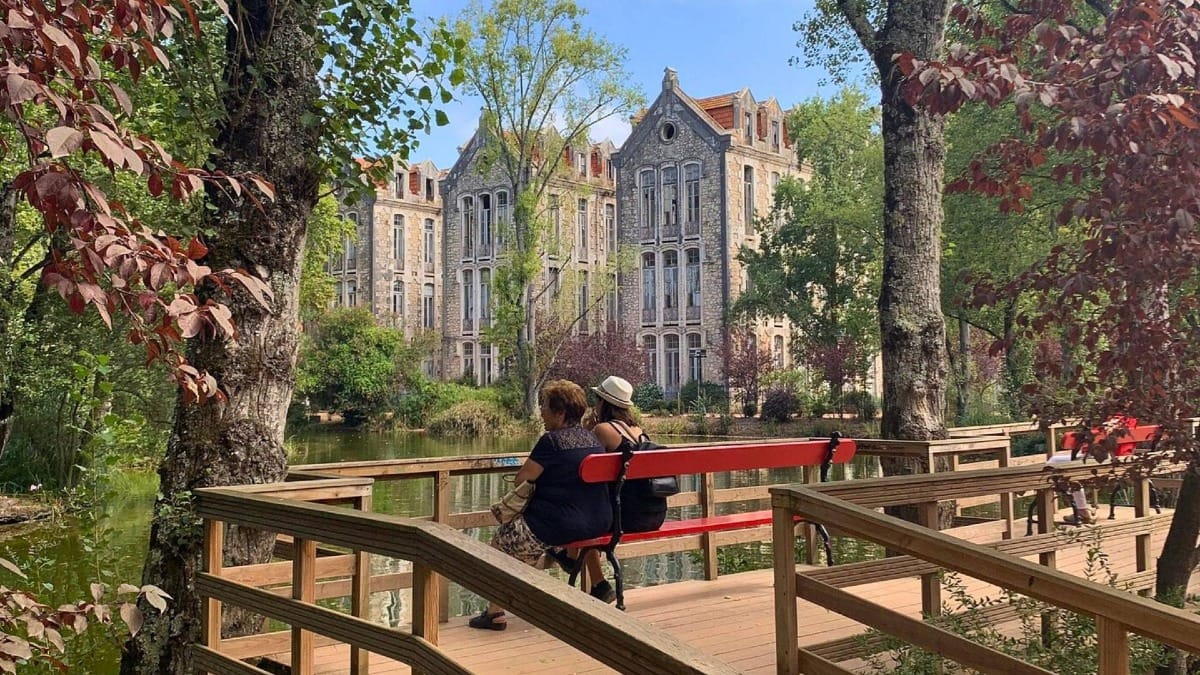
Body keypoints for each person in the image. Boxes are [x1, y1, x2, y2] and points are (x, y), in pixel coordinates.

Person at [469, 379, 612, 631]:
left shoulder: (552, 441)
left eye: (545, 406)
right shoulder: (592, 440)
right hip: (596, 523)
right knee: (526, 545)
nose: (542, 412)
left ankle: (495, 613)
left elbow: (522, 478)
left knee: (498, 545)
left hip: (559, 526)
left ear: (560, 412)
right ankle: (558, 582)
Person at [552, 375, 668, 603]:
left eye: (597, 399)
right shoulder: (638, 430)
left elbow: (582, 467)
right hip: (652, 514)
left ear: (603, 403)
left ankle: (592, 577)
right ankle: (583, 568)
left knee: (587, 518)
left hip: (626, 517)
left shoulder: (603, 429)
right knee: (592, 511)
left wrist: (588, 428)